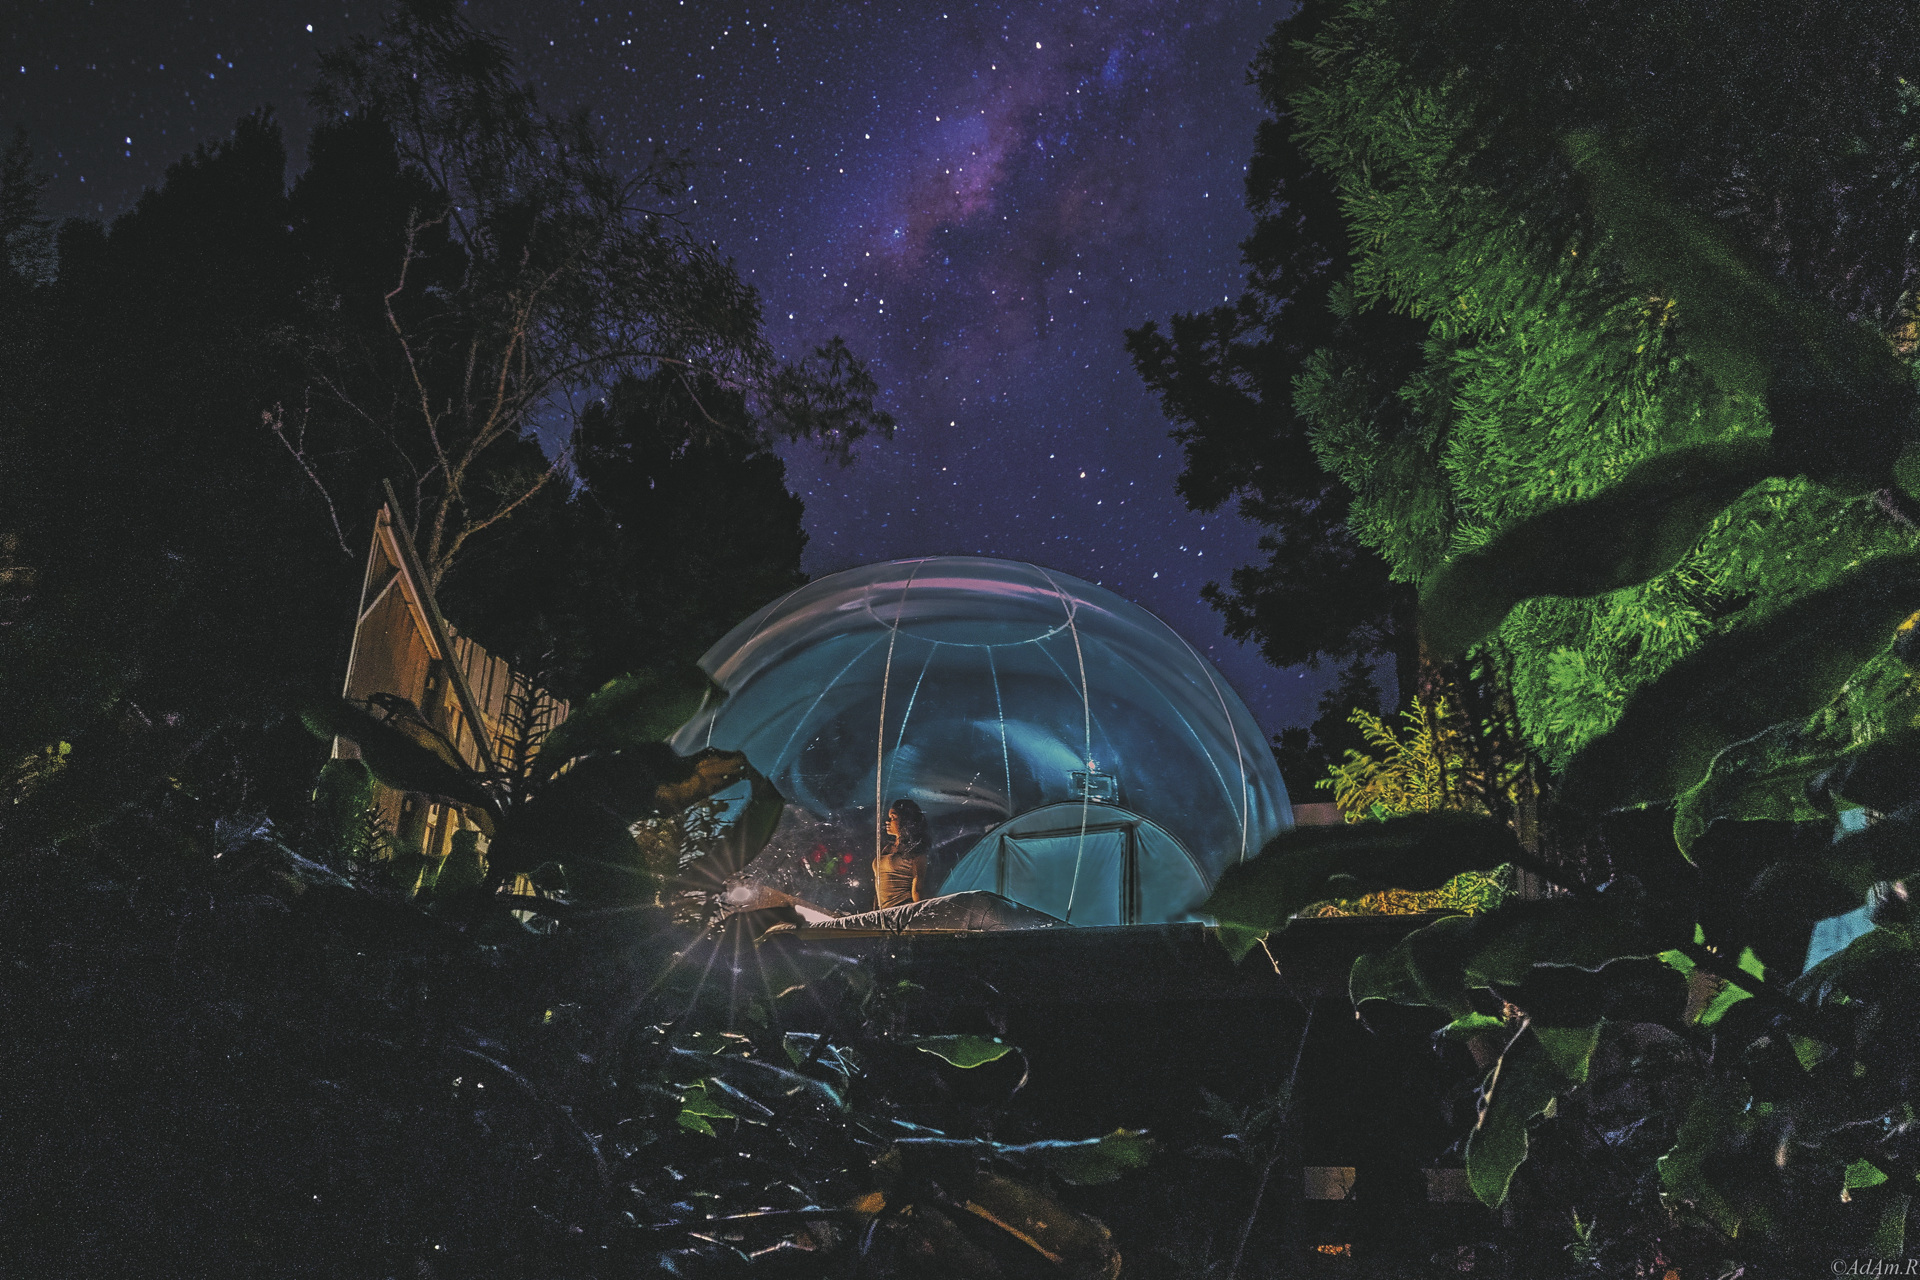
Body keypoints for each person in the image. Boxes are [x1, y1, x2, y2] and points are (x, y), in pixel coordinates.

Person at [872, 798, 930, 910]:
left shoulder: (916, 851)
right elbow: (878, 884)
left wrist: (921, 914)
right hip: (884, 912)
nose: (887, 821)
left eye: (893, 817)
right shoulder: (888, 848)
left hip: (902, 910)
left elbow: (917, 890)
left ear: (905, 821)